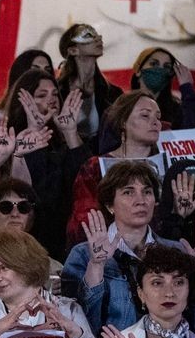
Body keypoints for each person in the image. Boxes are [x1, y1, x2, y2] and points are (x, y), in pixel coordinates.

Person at [62, 161, 195, 337]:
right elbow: (79, 326)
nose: (141, 201)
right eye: (128, 192)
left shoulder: (177, 251)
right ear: (109, 205)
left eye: (147, 192)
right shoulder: (83, 255)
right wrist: (97, 266)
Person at [0, 68, 86, 259]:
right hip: (30, 239)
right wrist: (34, 129)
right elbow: (28, 191)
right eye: (42, 95)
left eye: (55, 94)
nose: (52, 99)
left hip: (67, 238)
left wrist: (70, 132)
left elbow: (84, 181)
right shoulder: (9, 142)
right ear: (25, 102)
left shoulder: (66, 140)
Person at [66, 90, 162, 247]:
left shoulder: (170, 166)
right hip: (107, 251)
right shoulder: (94, 167)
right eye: (145, 115)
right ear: (123, 122)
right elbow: (83, 223)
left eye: (158, 117)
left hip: (158, 250)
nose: (155, 122)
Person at [56, 23, 122, 148]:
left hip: (100, 157)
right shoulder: (57, 91)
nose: (98, 38)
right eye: (88, 35)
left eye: (96, 34)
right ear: (73, 50)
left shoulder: (113, 93)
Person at [128, 47, 195, 133]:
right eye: (153, 64)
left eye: (166, 67)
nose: (160, 70)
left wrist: (187, 89)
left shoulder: (176, 110)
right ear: (138, 70)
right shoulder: (124, 106)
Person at [0, 48, 53, 131]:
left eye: (47, 70)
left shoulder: (55, 114)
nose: (43, 74)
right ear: (20, 75)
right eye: (35, 69)